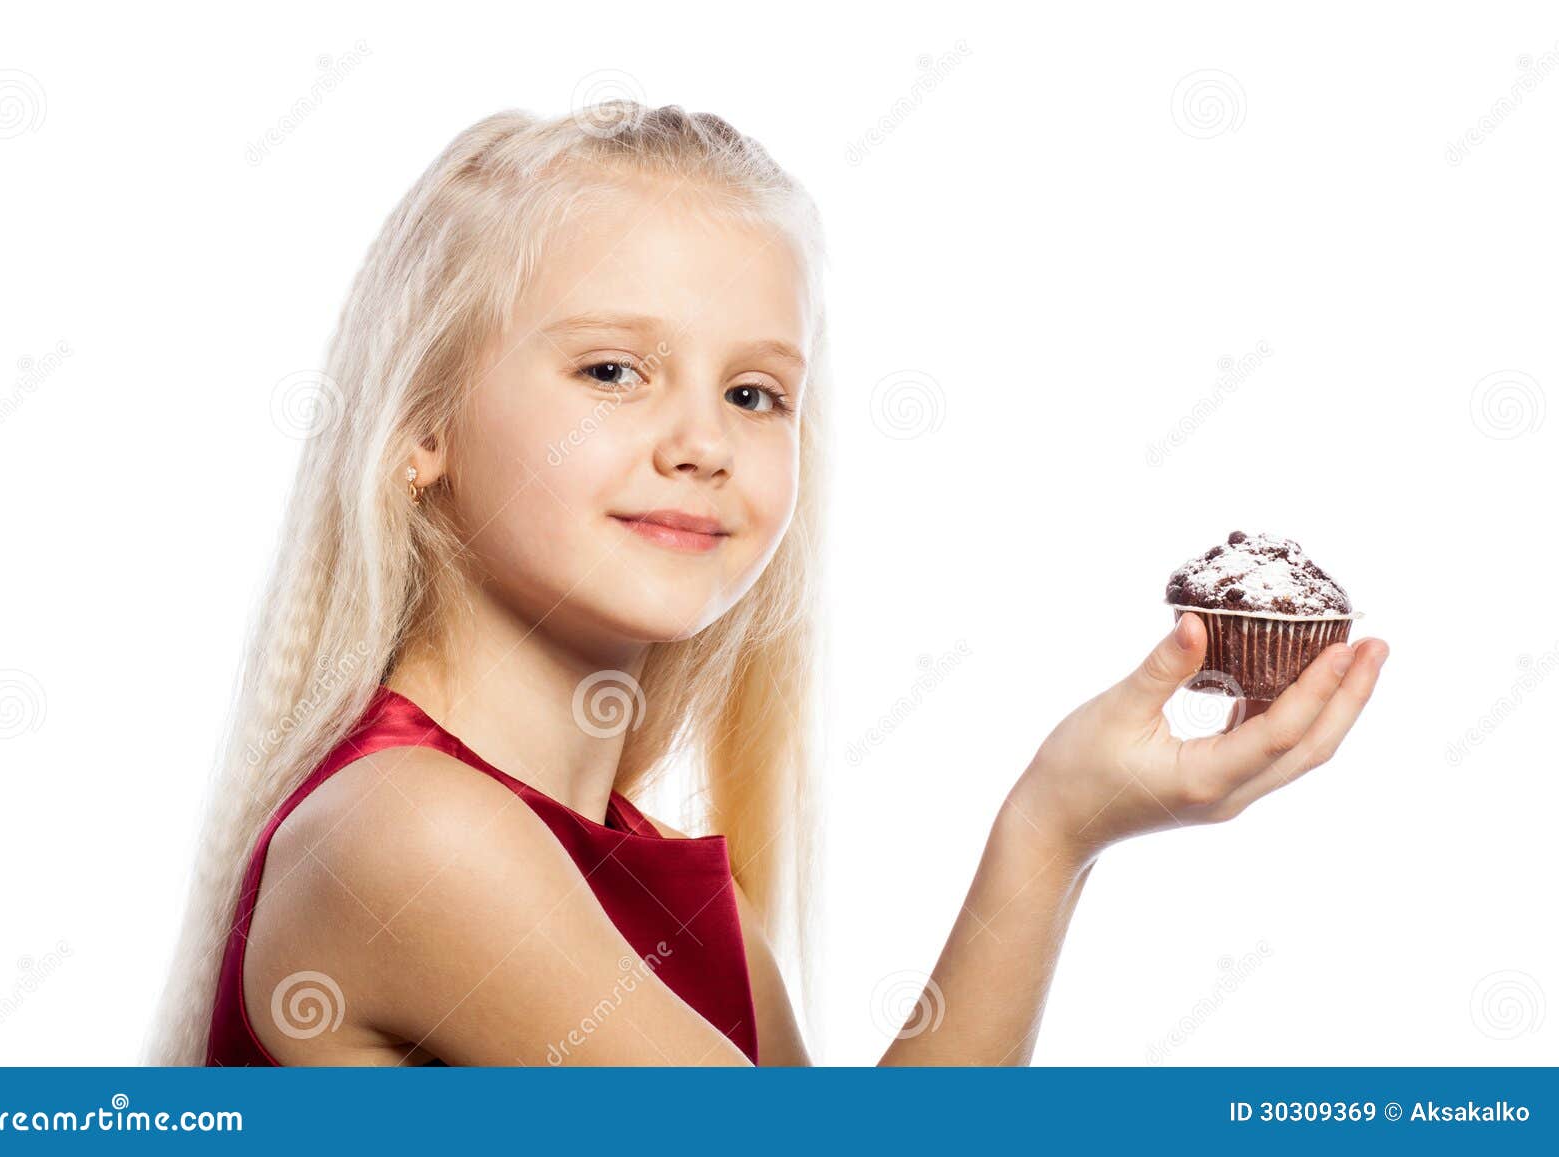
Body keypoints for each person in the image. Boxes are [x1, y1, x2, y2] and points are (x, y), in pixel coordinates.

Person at [145, 102, 1388, 1067]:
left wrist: (1057, 827)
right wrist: (1045, 832)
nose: (703, 440)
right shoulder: (409, 836)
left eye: (755, 392)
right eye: (613, 370)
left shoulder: (691, 903)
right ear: (422, 428)